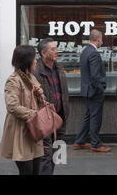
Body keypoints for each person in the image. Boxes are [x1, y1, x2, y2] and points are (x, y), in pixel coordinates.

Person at [0, 45, 49, 175]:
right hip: (21, 131)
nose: (36, 61)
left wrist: (40, 95)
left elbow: (40, 102)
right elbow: (12, 106)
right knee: (27, 170)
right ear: (26, 60)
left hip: (34, 131)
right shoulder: (13, 80)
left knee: (36, 170)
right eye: (34, 58)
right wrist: (35, 114)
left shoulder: (32, 78)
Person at [33, 38, 70, 175]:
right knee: (45, 154)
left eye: (56, 48)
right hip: (44, 119)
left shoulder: (59, 68)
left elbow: (62, 91)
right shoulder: (36, 72)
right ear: (43, 53)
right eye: (53, 49)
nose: (57, 52)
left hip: (60, 117)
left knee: (55, 152)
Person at [74, 29, 111, 152]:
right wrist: (101, 88)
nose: (102, 41)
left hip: (86, 90)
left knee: (89, 116)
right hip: (94, 91)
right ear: (99, 39)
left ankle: (79, 141)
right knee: (95, 117)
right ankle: (95, 144)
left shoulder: (85, 51)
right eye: (101, 39)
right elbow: (95, 76)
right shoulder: (94, 53)